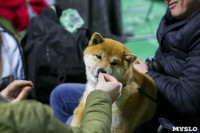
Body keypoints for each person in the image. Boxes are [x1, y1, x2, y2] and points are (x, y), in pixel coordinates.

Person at [0, 31, 123, 132]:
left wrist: (2, 100)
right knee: (71, 120)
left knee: (59, 94)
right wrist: (103, 97)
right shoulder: (31, 115)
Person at [133, 0, 200, 132]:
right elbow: (166, 59)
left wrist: (147, 74)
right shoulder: (177, 14)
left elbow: (187, 101)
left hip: (181, 123)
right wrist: (149, 67)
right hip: (160, 107)